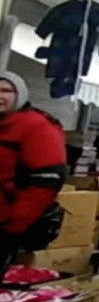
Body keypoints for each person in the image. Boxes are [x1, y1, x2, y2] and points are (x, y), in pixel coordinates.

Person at [0, 71, 68, 272]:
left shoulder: (37, 126)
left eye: (6, 91)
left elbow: (46, 181)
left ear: (19, 95)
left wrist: (14, 227)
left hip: (7, 222)